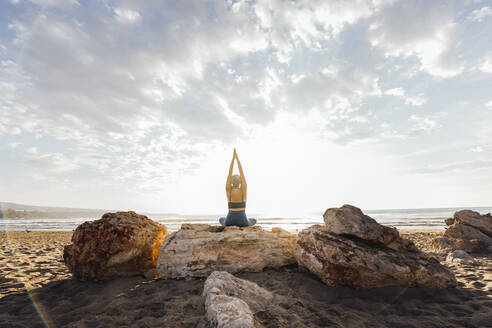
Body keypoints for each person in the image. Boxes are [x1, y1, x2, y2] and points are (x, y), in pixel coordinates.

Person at [219, 149, 256, 227]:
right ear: (240, 182)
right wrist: (237, 158)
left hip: (230, 220)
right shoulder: (243, 190)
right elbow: (241, 173)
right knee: (254, 220)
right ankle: (244, 223)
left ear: (231, 182)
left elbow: (230, 173)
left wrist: (233, 159)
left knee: (221, 219)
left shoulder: (228, 190)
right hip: (243, 220)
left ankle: (228, 223)